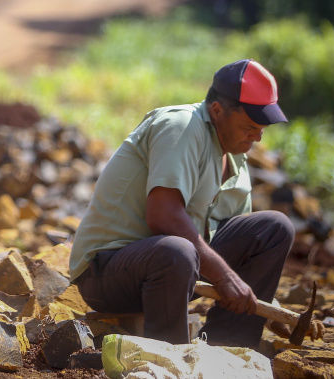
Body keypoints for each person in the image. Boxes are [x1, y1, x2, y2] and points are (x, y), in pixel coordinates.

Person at [68, 59, 294, 348]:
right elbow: (163, 216)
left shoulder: (235, 154)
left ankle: (227, 348)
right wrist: (224, 276)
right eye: (250, 126)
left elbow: (237, 246)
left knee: (274, 228)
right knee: (178, 250)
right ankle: (170, 360)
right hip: (107, 272)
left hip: (176, 270)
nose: (258, 136)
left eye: (262, 129)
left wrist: (261, 301)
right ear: (217, 110)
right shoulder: (181, 126)